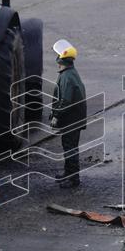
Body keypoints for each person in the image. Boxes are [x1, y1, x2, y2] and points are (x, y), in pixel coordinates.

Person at [50, 39, 87, 188]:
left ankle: (73, 179)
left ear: (61, 59)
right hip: (72, 119)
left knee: (70, 149)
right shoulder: (69, 73)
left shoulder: (67, 77)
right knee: (68, 146)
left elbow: (65, 100)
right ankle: (68, 174)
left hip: (71, 120)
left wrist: (56, 115)